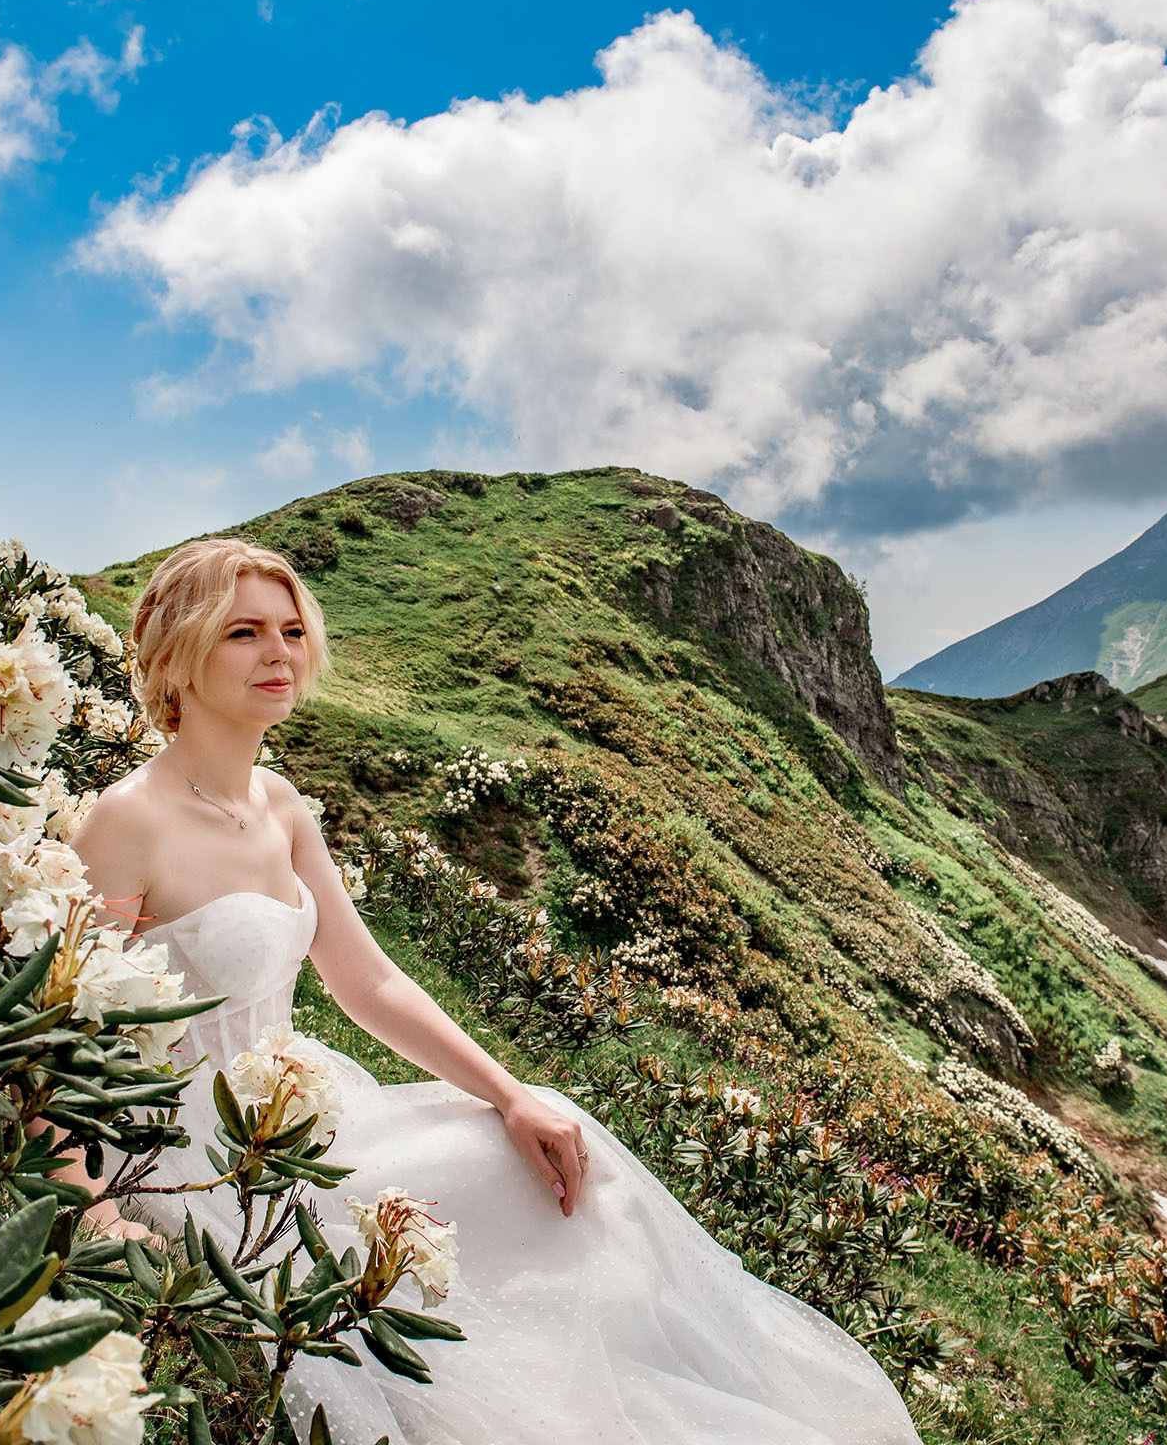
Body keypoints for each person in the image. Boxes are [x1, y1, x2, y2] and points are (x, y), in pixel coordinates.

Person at [70, 537, 922, 1445]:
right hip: (195, 1153)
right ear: (177, 653)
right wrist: (96, 1214)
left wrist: (511, 1095)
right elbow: (59, 1033)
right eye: (242, 632)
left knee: (543, 1146)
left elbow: (369, 981)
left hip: (300, 1114)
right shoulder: (129, 820)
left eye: (289, 629)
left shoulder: (279, 805)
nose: (278, 653)